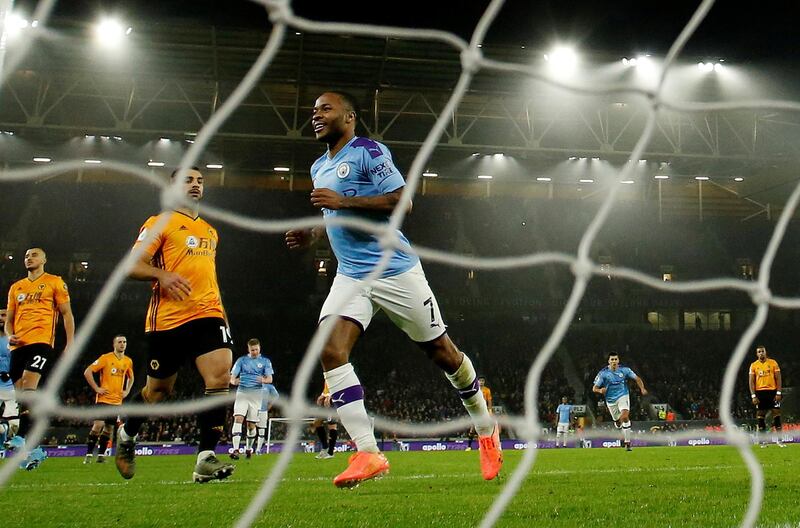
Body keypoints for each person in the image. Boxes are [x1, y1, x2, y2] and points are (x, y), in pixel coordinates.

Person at [285, 91, 501, 488]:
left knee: (444, 354)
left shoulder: (369, 151)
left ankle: (486, 429)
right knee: (331, 351)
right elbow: (334, 216)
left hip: (395, 270)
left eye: (324, 109)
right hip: (351, 276)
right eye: (313, 110)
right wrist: (313, 232)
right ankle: (367, 452)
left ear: (349, 117)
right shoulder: (319, 165)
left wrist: (343, 203)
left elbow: (403, 202)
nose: (315, 115)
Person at [115, 166, 235, 483]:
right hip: (168, 318)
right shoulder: (159, 223)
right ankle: (127, 435)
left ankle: (205, 458)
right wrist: (162, 275)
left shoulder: (211, 231)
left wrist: (221, 311)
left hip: (208, 312)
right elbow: (132, 265)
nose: (195, 185)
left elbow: (208, 277)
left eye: (199, 181)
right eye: (187, 180)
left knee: (220, 375)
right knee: (158, 391)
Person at [4, 247, 74, 469]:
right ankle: (35, 451)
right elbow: (9, 319)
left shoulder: (55, 282)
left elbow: (66, 314)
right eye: (26, 256)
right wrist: (9, 335)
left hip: (41, 342)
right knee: (20, 397)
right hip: (18, 346)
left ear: (44, 259)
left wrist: (70, 343)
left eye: (33, 255)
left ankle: (21, 437)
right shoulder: (16, 288)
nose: (28, 258)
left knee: (28, 384)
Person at [82, 335, 134, 464]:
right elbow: (87, 371)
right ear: (114, 344)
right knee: (98, 425)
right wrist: (97, 388)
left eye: (124, 342)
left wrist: (126, 391)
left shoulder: (128, 361)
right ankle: (88, 455)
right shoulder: (105, 358)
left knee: (109, 429)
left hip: (116, 402)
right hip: (103, 399)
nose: (122, 344)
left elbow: (131, 377)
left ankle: (101, 456)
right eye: (119, 342)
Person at [592, 352, 647, 451]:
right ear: (608, 361)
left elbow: (637, 378)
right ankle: (618, 424)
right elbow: (594, 388)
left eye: (615, 359)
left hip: (623, 396)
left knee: (625, 417)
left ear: (618, 360)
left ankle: (627, 442)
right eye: (612, 360)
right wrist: (600, 390)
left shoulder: (624, 370)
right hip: (610, 400)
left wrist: (642, 389)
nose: (614, 361)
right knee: (618, 422)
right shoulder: (603, 373)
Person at [229, 338, 273, 460]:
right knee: (238, 418)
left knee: (251, 425)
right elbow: (232, 377)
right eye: (252, 350)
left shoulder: (265, 362)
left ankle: (248, 449)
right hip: (242, 393)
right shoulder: (241, 361)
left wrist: (263, 380)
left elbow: (270, 379)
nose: (254, 352)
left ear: (259, 348)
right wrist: (233, 381)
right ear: (248, 349)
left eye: (256, 349)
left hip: (256, 395)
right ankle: (236, 450)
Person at [748, 345, 785, 448]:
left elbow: (778, 378)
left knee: (777, 415)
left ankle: (780, 441)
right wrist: (753, 396)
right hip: (760, 393)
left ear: (766, 352)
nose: (761, 353)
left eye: (762, 351)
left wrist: (778, 392)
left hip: (772, 392)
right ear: (757, 354)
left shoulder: (773, 363)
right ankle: (763, 441)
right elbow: (751, 381)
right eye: (759, 352)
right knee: (760, 417)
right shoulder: (753, 365)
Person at [0, 309, 20, 454]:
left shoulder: (17, 338)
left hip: (11, 384)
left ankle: (9, 437)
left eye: (3, 315)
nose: (0, 318)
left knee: (14, 423)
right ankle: (3, 432)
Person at [311, 382, 339, 459]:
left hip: (333, 400)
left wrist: (330, 395)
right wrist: (323, 394)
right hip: (325, 399)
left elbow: (338, 383)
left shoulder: (336, 371)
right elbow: (327, 385)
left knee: (332, 426)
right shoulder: (326, 373)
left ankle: (330, 452)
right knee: (317, 422)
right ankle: (325, 448)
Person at [466, 376, 493, 450]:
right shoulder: (474, 389)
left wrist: (490, 410)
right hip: (475, 412)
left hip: (483, 412)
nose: (481, 382)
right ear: (477, 381)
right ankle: (469, 446)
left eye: (483, 381)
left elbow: (489, 401)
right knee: (472, 429)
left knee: (483, 429)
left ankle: (482, 446)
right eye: (480, 381)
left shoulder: (487, 390)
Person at [255, 381, 279, 454]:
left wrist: (270, 405)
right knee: (250, 429)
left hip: (263, 410)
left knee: (261, 431)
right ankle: (248, 449)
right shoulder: (252, 383)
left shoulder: (268, 386)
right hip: (253, 409)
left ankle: (258, 450)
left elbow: (276, 396)